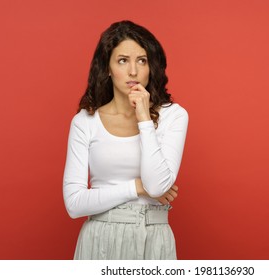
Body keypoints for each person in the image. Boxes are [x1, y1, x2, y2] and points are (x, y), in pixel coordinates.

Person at [62, 20, 188, 260]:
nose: (133, 71)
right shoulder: (85, 121)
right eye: (123, 60)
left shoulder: (174, 115)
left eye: (142, 60)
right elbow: (74, 203)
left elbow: (158, 187)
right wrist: (137, 188)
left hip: (153, 237)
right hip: (99, 239)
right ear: (107, 68)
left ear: (152, 66)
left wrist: (143, 118)